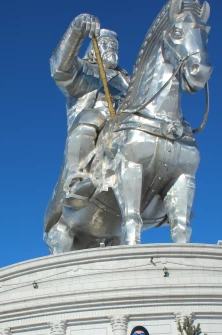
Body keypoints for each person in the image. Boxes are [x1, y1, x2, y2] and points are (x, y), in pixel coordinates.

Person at [50, 13, 130, 197]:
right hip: (97, 130)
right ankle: (77, 178)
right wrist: (76, 32)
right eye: (106, 44)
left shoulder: (128, 80)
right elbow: (60, 70)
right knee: (90, 117)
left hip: (125, 129)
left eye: (114, 45)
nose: (111, 48)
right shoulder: (86, 71)